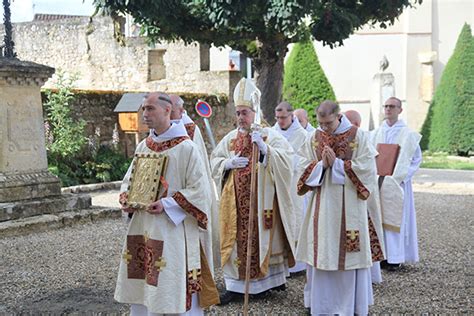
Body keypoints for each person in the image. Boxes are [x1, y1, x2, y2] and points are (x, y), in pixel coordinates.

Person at [115, 92, 219, 315]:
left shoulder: (186, 148)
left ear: (167, 111)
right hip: (143, 226)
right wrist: (127, 199)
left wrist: (168, 204)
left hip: (170, 229)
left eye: (150, 109)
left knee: (168, 284)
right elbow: (129, 180)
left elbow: (200, 191)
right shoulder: (144, 146)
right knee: (143, 286)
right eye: (144, 109)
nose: (145, 114)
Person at [210, 78, 296, 305]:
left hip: (261, 202)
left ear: (254, 112)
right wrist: (227, 164)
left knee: (261, 239)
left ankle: (266, 284)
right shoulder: (230, 139)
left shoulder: (270, 135)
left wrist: (266, 150)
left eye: (244, 112)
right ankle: (236, 287)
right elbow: (214, 160)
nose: (240, 117)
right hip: (235, 203)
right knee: (237, 242)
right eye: (238, 112)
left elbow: (288, 162)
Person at [297, 100, 382, 314]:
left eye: (328, 123)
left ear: (338, 116)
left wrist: (337, 165)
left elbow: (368, 169)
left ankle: (349, 307)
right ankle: (322, 306)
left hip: (350, 205)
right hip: (322, 206)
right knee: (322, 251)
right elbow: (299, 164)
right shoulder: (314, 137)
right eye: (321, 123)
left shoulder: (358, 136)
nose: (324, 128)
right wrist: (321, 166)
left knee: (348, 255)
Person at [370, 97, 422, 271]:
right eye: (385, 106)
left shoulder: (409, 135)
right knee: (378, 217)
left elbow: (416, 159)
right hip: (378, 181)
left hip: (397, 183)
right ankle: (381, 255)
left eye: (392, 106)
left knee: (396, 218)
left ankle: (395, 257)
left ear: (400, 110)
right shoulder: (375, 133)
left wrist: (400, 177)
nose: (388, 109)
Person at [169, 94, 220, 268]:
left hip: (188, 195)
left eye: (172, 110)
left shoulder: (190, 130)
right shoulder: (160, 131)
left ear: (181, 110)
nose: (167, 113)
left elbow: (199, 170)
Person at [345, 109, 386, 283]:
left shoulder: (361, 138)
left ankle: (370, 275)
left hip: (361, 193)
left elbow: (367, 168)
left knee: (366, 232)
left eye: (347, 122)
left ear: (356, 124)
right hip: (345, 193)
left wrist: (342, 167)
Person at [272, 101, 308, 274]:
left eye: (283, 117)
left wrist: (284, 164)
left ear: (292, 116)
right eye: (277, 117)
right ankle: (279, 264)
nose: (280, 121)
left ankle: (297, 265)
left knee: (295, 219)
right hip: (276, 185)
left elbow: (304, 161)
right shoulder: (272, 133)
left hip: (293, 185)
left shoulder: (302, 136)